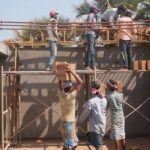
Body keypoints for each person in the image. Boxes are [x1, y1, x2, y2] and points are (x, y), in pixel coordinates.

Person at [58, 65, 83, 150]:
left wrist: (62, 74)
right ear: (71, 88)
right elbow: (80, 82)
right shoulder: (72, 95)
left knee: (67, 143)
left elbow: (60, 83)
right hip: (69, 123)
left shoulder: (61, 94)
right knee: (70, 145)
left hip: (62, 122)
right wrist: (71, 71)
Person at [77, 81, 107, 150]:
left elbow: (85, 113)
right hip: (101, 125)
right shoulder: (104, 100)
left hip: (95, 127)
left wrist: (79, 122)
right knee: (98, 143)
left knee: (99, 146)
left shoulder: (92, 101)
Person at [106, 79, 126, 150]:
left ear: (109, 86)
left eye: (107, 85)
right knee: (122, 135)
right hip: (121, 116)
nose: (106, 86)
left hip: (115, 118)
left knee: (116, 137)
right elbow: (122, 104)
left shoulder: (108, 96)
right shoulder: (121, 95)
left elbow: (105, 108)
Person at [85, 5, 100, 70]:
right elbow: (88, 24)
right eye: (96, 10)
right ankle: (87, 65)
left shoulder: (93, 16)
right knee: (91, 50)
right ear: (93, 10)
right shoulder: (91, 15)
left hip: (92, 34)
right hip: (90, 33)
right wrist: (96, 29)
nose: (97, 11)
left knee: (92, 50)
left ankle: (92, 66)